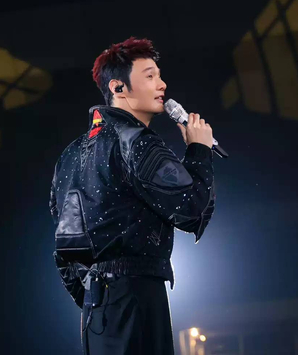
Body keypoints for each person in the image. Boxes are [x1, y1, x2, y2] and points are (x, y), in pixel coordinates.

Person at [49, 37, 217, 355]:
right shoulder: (137, 141)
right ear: (118, 87)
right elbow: (191, 208)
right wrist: (199, 150)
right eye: (150, 76)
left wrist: (94, 296)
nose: (162, 85)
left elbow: (64, 244)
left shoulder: (70, 154)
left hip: (96, 310)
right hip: (137, 295)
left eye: (159, 75)